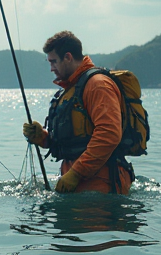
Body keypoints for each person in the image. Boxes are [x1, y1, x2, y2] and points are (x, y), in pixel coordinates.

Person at [22, 30, 133, 195]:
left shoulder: (98, 85)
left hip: (102, 185)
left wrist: (76, 173)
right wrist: (42, 138)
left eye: (53, 62)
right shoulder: (70, 89)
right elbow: (73, 141)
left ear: (68, 57)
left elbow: (109, 134)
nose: (51, 68)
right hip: (76, 185)